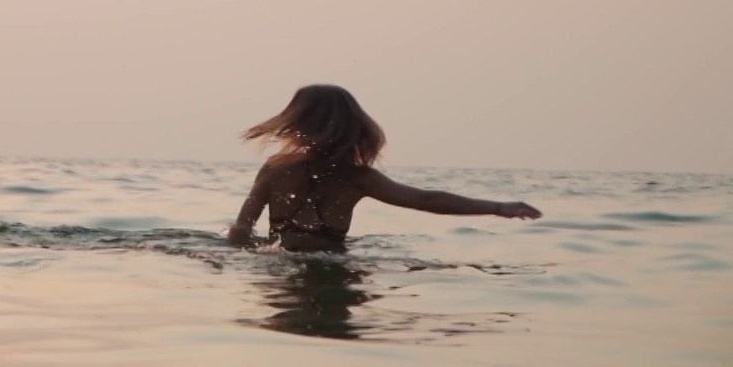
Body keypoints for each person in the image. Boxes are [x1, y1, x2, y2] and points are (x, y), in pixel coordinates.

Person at [228, 85, 541, 251]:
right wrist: (498, 207)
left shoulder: (274, 169)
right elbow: (425, 200)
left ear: (294, 120)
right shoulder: (358, 179)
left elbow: (242, 229)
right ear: (355, 125)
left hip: (276, 268)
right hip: (333, 264)